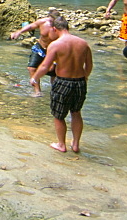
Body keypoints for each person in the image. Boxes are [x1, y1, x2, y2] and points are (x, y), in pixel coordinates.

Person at [31, 16, 93, 153]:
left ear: (54, 29)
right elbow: (89, 65)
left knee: (59, 116)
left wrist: (35, 78)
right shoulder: (83, 43)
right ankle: (76, 145)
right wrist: (85, 78)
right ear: (67, 27)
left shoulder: (55, 45)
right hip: (80, 82)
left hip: (63, 82)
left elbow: (45, 66)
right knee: (76, 112)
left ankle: (61, 144)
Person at [11, 8, 60, 97]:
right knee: (31, 68)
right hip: (39, 49)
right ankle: (37, 91)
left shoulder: (60, 27)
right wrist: (19, 32)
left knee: (53, 73)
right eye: (52, 20)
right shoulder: (43, 22)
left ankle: (54, 92)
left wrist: (55, 61)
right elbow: (31, 26)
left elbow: (63, 41)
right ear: (49, 18)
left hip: (53, 51)